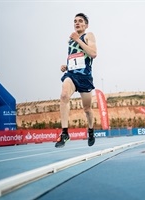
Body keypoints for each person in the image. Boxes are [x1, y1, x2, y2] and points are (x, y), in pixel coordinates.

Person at [55, 13, 97, 148]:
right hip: (72, 74)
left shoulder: (88, 35)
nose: (77, 23)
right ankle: (65, 132)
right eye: (75, 21)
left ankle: (90, 130)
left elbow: (93, 54)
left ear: (86, 25)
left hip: (85, 77)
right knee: (64, 95)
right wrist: (66, 66)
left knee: (87, 108)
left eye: (80, 21)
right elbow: (77, 59)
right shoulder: (70, 41)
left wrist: (78, 39)